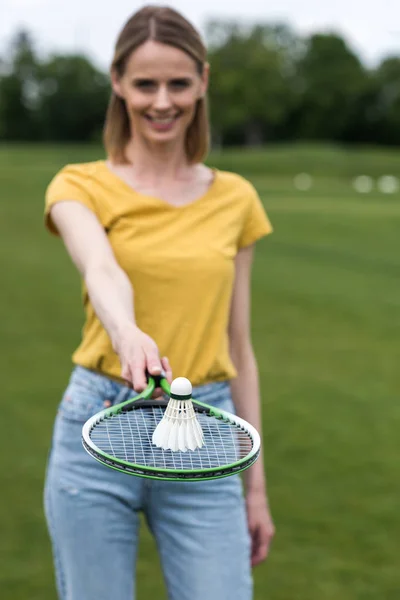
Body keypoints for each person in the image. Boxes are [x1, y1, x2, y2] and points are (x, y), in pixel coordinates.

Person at [43, 5, 275, 600]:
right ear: (118, 84)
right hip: (99, 420)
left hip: (205, 426)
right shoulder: (79, 185)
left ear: (202, 81)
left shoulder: (236, 199)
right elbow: (101, 267)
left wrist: (255, 489)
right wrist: (127, 332)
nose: (162, 101)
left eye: (178, 83)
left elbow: (238, 348)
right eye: (145, 84)